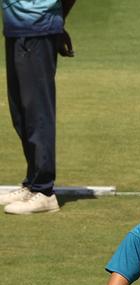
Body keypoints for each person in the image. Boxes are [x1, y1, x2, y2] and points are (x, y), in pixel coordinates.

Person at [1, 0, 74, 215]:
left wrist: (57, 24)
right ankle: (32, 184)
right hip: (17, 28)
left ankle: (44, 191)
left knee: (37, 112)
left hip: (38, 28)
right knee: (21, 113)